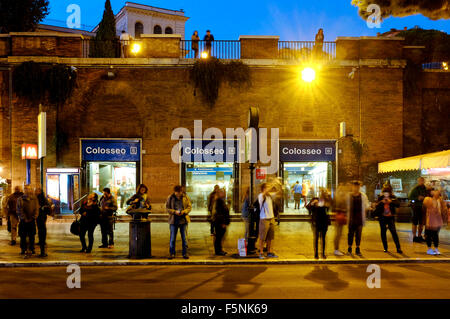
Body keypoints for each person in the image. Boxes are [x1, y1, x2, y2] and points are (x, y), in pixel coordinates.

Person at [166, 185, 192, 259]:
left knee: (184, 238)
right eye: (177, 192)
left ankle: (185, 253)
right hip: (173, 220)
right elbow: (167, 208)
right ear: (174, 192)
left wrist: (184, 211)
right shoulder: (170, 198)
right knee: (172, 238)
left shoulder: (185, 197)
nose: (178, 194)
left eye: (180, 192)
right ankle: (172, 253)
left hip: (183, 220)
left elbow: (189, 207)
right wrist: (174, 212)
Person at [375, 186, 402, 254]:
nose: (386, 195)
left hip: (390, 217)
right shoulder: (380, 198)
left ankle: (398, 248)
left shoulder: (393, 197)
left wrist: (391, 202)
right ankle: (385, 248)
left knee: (393, 232)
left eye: (387, 193)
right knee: (383, 232)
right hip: (382, 218)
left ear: (390, 193)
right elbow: (376, 207)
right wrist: (382, 202)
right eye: (385, 193)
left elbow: (398, 204)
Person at [347, 181, 370, 256]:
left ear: (359, 187)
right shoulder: (349, 195)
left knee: (358, 234)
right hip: (351, 218)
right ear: (352, 187)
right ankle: (349, 248)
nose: (356, 188)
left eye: (357, 186)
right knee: (350, 234)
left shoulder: (363, 196)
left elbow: (366, 205)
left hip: (359, 218)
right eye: (354, 186)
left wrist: (368, 208)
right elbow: (346, 205)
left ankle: (357, 248)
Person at [307, 189, 331, 259]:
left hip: (324, 221)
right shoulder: (315, 199)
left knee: (323, 238)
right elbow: (308, 207)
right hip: (316, 221)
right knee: (316, 238)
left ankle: (323, 253)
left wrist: (326, 204)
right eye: (321, 193)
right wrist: (313, 203)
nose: (322, 194)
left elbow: (328, 209)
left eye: (323, 193)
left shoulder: (326, 201)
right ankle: (316, 253)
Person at [423, 189, 448, 255]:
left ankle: (436, 248)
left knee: (435, 235)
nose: (435, 192)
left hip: (437, 220)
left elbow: (443, 209)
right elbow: (428, 205)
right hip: (429, 220)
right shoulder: (427, 199)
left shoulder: (439, 200)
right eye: (434, 191)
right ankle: (429, 249)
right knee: (429, 235)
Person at [16, 185, 39, 257]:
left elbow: (36, 209)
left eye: (28, 189)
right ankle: (23, 249)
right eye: (25, 189)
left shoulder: (34, 199)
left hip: (32, 220)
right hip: (23, 221)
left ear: (30, 190)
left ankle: (32, 249)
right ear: (23, 190)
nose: (27, 190)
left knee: (32, 235)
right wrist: (23, 218)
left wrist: (34, 217)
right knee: (23, 236)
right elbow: (19, 209)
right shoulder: (20, 199)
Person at [258, 183, 278, 259]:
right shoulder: (261, 196)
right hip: (264, 218)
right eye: (267, 187)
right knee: (262, 237)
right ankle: (261, 252)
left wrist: (276, 183)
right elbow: (264, 194)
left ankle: (269, 252)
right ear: (264, 188)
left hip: (271, 218)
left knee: (270, 237)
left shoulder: (269, 196)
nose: (269, 189)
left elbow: (278, 193)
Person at [212, 188, 230, 256]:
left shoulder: (221, 200)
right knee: (219, 237)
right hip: (220, 223)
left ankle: (220, 250)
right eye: (223, 192)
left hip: (220, 222)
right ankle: (218, 251)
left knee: (220, 237)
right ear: (220, 193)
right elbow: (219, 213)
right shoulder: (219, 201)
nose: (224, 194)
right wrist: (223, 222)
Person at [408, 177, 427, 243]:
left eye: (422, 180)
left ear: (424, 181)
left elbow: (428, 197)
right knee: (415, 222)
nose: (421, 182)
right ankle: (414, 237)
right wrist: (417, 198)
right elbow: (410, 197)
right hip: (416, 207)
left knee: (421, 223)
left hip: (423, 207)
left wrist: (424, 198)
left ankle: (419, 236)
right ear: (418, 181)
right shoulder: (415, 189)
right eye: (420, 181)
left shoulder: (425, 189)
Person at [35, 187, 53, 257]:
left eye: (36, 190)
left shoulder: (42, 198)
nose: (35, 191)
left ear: (40, 191)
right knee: (40, 230)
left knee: (42, 231)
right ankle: (41, 243)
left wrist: (41, 207)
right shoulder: (36, 197)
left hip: (41, 216)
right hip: (39, 217)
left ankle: (43, 251)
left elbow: (48, 206)